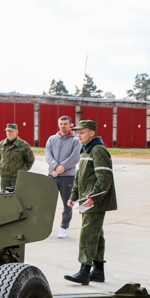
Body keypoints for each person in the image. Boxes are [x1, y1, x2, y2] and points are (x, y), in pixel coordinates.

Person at [63, 120, 117, 285]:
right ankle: (98, 271)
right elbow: (80, 177)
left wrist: (93, 197)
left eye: (82, 132)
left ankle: (84, 271)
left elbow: (104, 179)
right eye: (77, 132)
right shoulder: (86, 150)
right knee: (96, 234)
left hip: (96, 201)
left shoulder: (98, 150)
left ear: (92, 133)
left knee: (88, 234)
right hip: (88, 199)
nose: (78, 135)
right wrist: (74, 195)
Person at [45, 116, 81, 239]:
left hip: (68, 177)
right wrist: (55, 167)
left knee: (67, 203)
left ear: (71, 125)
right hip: (53, 175)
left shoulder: (75, 141)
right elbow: (48, 155)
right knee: (47, 202)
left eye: (65, 123)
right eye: (61, 123)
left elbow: (75, 158)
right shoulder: (52, 139)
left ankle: (63, 228)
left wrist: (62, 168)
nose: (63, 126)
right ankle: (44, 226)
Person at [0, 123, 35, 191]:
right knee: (4, 198)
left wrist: (23, 169)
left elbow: (30, 160)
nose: (9, 133)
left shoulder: (23, 145)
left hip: (17, 178)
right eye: (7, 131)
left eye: (11, 131)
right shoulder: (1, 145)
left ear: (16, 132)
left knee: (16, 198)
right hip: (4, 178)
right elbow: (1, 158)